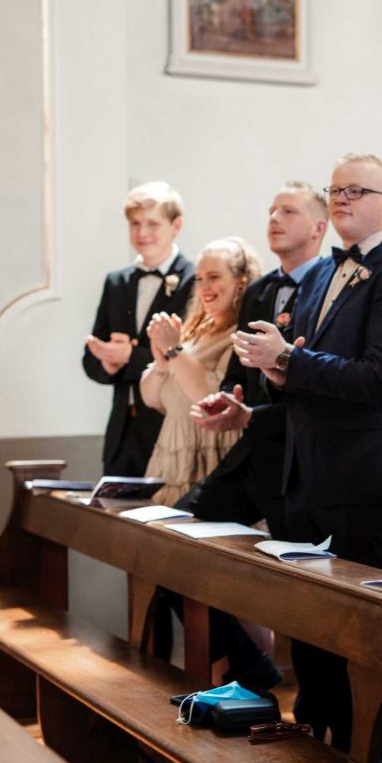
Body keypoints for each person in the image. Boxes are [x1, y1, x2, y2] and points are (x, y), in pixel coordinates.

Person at [205, 153, 382, 751]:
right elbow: (311, 379)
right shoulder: (323, 275)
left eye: (357, 190)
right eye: (336, 190)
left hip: (366, 482)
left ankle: (368, 753)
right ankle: (313, 742)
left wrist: (286, 360)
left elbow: (381, 379)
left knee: (364, 636)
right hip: (306, 477)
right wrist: (264, 396)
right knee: (308, 625)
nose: (342, 199)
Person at [182, 182, 326, 537]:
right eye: (272, 212)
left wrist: (254, 415)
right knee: (180, 528)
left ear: (319, 228)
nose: (274, 218)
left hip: (302, 458)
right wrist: (229, 398)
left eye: (288, 211)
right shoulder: (260, 290)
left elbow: (319, 378)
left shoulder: (329, 288)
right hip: (253, 452)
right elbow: (238, 369)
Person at [141, 237, 262, 506]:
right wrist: (162, 362)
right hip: (173, 455)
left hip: (210, 455)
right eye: (199, 278)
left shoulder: (243, 334)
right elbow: (153, 399)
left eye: (214, 277)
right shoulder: (196, 331)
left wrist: (173, 349)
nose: (204, 287)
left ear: (241, 282)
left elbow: (211, 397)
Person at [83, 182, 194, 477]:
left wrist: (130, 356)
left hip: (168, 429)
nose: (142, 233)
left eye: (153, 223)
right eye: (135, 224)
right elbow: (89, 362)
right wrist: (106, 360)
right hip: (121, 432)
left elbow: (190, 361)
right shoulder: (116, 282)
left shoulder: (194, 281)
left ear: (176, 225)